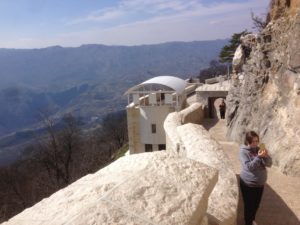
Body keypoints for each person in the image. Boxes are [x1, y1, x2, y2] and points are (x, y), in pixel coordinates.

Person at [239, 131, 272, 225]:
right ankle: (248, 222)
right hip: (248, 184)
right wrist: (259, 157)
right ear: (248, 141)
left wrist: (266, 156)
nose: (255, 143)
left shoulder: (259, 149)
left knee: (256, 205)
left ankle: (251, 220)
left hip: (260, 184)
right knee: (249, 206)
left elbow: (269, 164)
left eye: (257, 141)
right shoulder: (243, 151)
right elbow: (249, 167)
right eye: (253, 141)